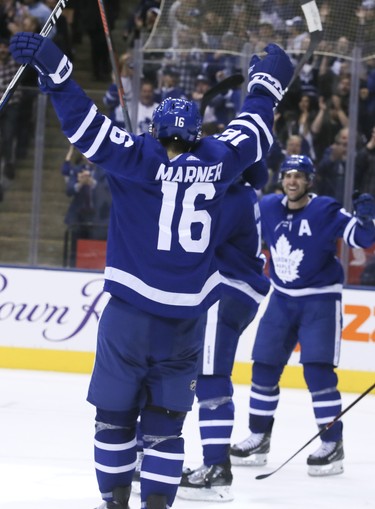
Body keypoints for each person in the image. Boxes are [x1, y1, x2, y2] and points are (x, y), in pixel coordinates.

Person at [9, 31, 294, 509]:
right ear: (199, 134)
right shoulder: (220, 159)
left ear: (156, 132)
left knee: (113, 419)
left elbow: (84, 126)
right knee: (165, 423)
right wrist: (265, 88)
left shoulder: (136, 156)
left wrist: (57, 74)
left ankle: (115, 501)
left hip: (129, 318)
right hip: (186, 323)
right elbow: (254, 129)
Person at [229, 155, 375, 477]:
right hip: (281, 298)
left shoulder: (324, 209)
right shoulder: (267, 206)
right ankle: (258, 436)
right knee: (264, 368)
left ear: (309, 181)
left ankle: (331, 443)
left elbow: (364, 240)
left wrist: (368, 220)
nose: (292, 181)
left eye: (299, 176)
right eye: (287, 175)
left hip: (319, 300)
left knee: (317, 373)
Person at [177, 162, 271, 502]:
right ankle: (214, 465)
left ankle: (217, 470)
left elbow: (194, 240)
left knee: (212, 378)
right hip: (235, 290)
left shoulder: (232, 196)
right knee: (204, 374)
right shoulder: (241, 192)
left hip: (225, 288)